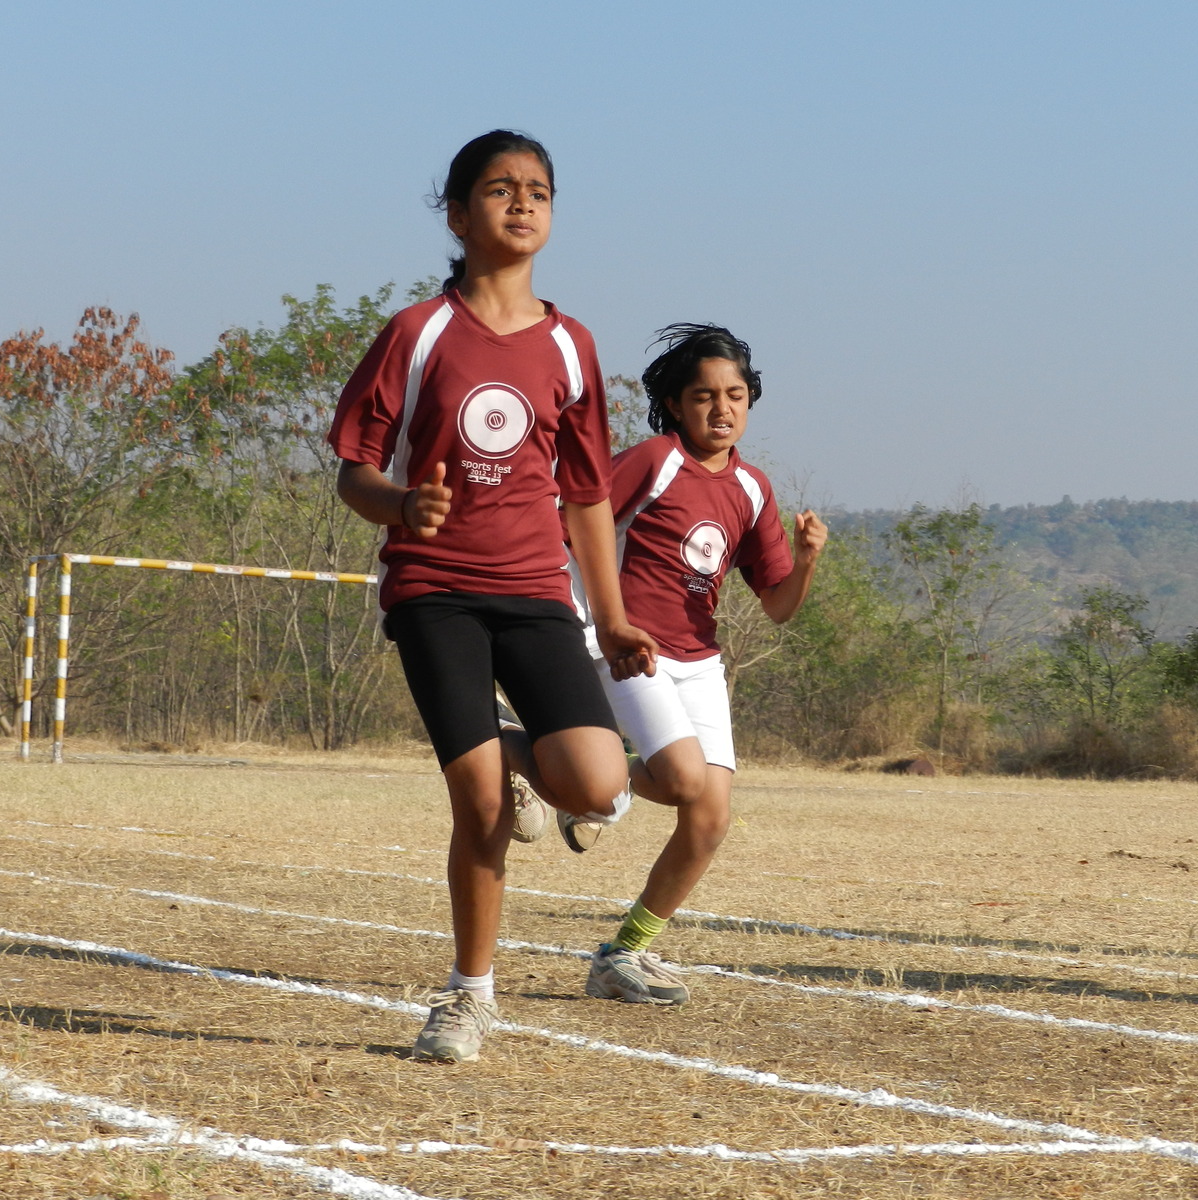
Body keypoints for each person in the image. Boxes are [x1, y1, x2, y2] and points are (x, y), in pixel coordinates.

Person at [327, 131, 657, 1064]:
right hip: (434, 591)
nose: (522, 203)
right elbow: (355, 472)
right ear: (457, 215)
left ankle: (507, 753)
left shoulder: (571, 346)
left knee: (597, 786)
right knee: (479, 804)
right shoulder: (416, 333)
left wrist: (613, 615)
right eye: (500, 189)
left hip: (537, 593)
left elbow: (586, 495)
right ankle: (468, 998)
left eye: (538, 191)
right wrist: (403, 505)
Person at [574, 323, 828, 1006]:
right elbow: (578, 520)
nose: (722, 408)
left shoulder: (751, 488)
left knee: (710, 819)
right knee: (684, 780)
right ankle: (567, 775)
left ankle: (621, 955)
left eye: (735, 395)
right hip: (630, 647)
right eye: (704, 395)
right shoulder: (655, 460)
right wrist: (589, 612)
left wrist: (806, 561)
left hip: (699, 660)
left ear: (750, 401)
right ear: (676, 405)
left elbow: (778, 606)